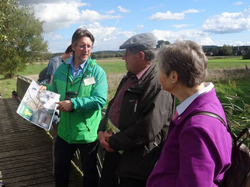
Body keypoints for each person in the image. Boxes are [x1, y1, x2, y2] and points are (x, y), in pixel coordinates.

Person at [147, 40, 232, 187]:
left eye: (160, 70)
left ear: (173, 77)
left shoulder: (196, 127)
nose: (158, 75)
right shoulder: (206, 103)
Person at [98, 33, 175, 187]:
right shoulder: (130, 78)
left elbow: (147, 128)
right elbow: (114, 105)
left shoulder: (159, 85)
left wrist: (111, 141)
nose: (123, 58)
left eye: (126, 54)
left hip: (136, 166)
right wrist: (101, 131)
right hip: (116, 154)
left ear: (140, 56)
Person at [40, 28, 108, 187]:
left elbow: (100, 100)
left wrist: (73, 104)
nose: (86, 50)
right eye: (82, 46)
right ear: (73, 46)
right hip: (64, 131)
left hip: (87, 134)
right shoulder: (61, 70)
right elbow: (55, 91)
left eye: (89, 46)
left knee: (89, 173)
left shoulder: (97, 73)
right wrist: (45, 88)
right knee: (60, 170)